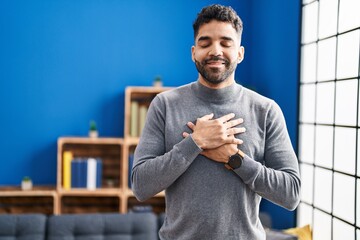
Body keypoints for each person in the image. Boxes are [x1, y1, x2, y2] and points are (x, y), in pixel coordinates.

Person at [131, 4, 300, 240]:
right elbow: (140, 185)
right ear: (193, 52)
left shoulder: (266, 110)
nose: (215, 50)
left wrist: (234, 159)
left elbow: (290, 193)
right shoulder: (164, 105)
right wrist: (195, 143)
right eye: (205, 42)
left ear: (240, 53)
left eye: (225, 42)